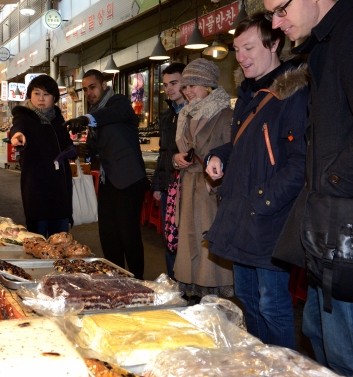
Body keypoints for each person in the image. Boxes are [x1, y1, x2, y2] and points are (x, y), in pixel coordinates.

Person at [262, 0, 353, 377]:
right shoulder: (328, 43)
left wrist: (329, 187)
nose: (276, 24)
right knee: (325, 345)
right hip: (334, 232)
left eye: (281, 10)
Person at [204, 13, 309, 349]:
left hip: (269, 218)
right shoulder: (249, 93)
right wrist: (217, 155)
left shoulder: (293, 92)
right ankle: (261, 366)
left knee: (272, 304)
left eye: (249, 47)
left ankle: (282, 371)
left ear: (275, 43)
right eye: (237, 49)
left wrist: (263, 200)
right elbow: (243, 145)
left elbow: (300, 162)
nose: (242, 56)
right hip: (242, 214)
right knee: (248, 298)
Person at [65, 69, 147, 279]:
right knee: (108, 235)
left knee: (128, 234)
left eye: (92, 87)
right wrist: (87, 152)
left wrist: (86, 118)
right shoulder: (95, 111)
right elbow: (96, 148)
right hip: (108, 181)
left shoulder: (117, 102)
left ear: (104, 85)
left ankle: (138, 281)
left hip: (128, 180)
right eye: (85, 89)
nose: (89, 92)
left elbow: (110, 116)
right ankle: (116, 279)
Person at [170, 58, 234, 300]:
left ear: (209, 85)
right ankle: (192, 294)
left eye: (193, 85)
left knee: (209, 243)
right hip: (188, 185)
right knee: (188, 244)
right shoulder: (184, 115)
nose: (187, 91)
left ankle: (215, 296)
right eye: (186, 86)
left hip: (212, 189)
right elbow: (177, 152)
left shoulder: (225, 114)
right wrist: (177, 159)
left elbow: (233, 152)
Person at [10, 74, 75, 238]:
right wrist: (17, 136)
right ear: (30, 94)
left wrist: (71, 150)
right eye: (37, 93)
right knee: (37, 239)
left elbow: (66, 142)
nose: (41, 98)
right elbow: (18, 128)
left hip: (60, 188)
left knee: (60, 240)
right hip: (36, 188)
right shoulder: (24, 117)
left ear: (54, 98)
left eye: (46, 94)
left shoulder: (58, 119)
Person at [150, 62, 186, 279]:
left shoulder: (194, 112)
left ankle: (188, 288)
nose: (169, 89)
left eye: (174, 83)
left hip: (187, 185)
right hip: (168, 186)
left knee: (187, 241)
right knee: (170, 240)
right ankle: (174, 286)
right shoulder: (167, 115)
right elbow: (163, 152)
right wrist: (157, 184)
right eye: (166, 85)